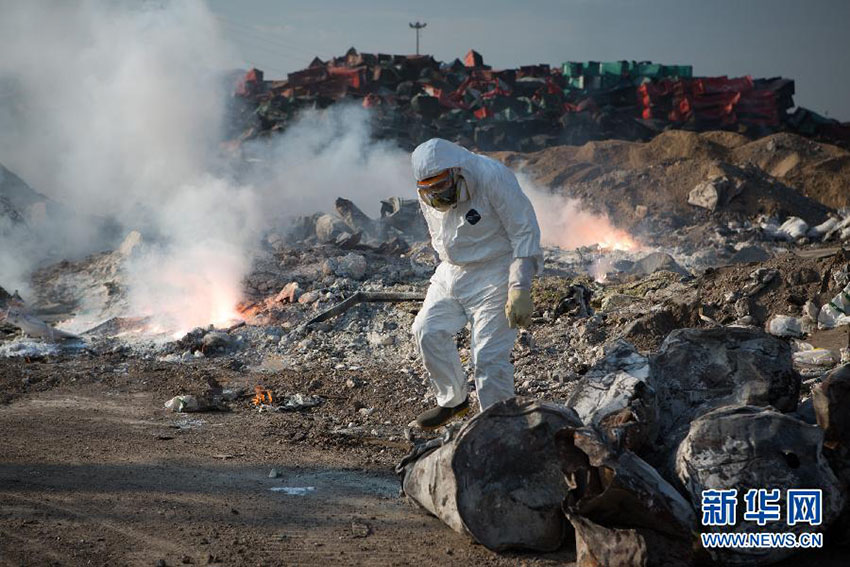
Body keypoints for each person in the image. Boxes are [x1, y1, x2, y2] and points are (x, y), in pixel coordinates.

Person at [410, 138, 542, 429]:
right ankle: (453, 400)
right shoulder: (429, 188)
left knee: (487, 357)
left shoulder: (492, 177)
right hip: (451, 270)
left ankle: (500, 426)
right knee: (426, 330)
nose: (436, 195)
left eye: (441, 187)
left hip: (494, 270)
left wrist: (519, 286)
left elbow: (525, 231)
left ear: (457, 172)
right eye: (429, 190)